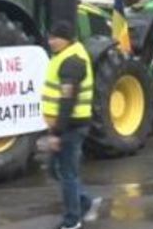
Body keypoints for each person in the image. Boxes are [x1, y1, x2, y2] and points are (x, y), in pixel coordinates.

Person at [42, 21, 101, 229]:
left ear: (65, 39)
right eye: (49, 37)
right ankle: (85, 201)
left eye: (54, 38)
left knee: (67, 174)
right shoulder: (64, 56)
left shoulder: (73, 61)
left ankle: (72, 220)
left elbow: (67, 100)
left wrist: (57, 132)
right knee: (55, 170)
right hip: (63, 126)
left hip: (71, 127)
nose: (50, 42)